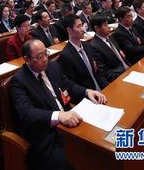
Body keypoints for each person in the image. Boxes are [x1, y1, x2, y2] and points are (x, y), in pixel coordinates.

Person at [11, 39, 107, 170]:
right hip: (48, 135)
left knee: (100, 147)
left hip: (71, 122)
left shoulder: (52, 66)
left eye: (46, 53)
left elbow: (69, 86)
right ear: (27, 59)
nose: (45, 59)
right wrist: (58, 116)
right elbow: (27, 113)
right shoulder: (19, 81)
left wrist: (87, 91)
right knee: (78, 162)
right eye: (39, 57)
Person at [58, 14, 109, 89]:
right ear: (69, 30)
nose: (82, 29)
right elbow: (73, 85)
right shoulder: (65, 56)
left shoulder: (87, 46)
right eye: (78, 26)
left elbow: (98, 72)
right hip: (88, 93)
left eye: (82, 25)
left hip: (101, 85)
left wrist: (107, 86)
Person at [90, 15, 129, 83]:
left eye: (107, 24)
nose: (108, 27)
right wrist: (122, 76)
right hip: (119, 76)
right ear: (96, 28)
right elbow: (104, 72)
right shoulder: (94, 46)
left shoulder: (110, 37)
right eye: (105, 25)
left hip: (127, 67)